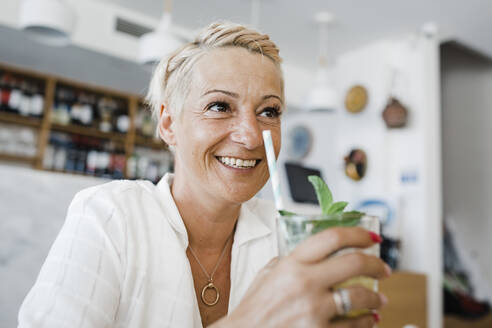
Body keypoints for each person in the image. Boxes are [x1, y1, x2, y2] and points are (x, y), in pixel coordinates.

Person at [18, 21, 390, 328]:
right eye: (219, 106)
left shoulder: (286, 236)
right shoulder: (109, 215)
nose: (248, 136)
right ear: (168, 124)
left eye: (269, 111)